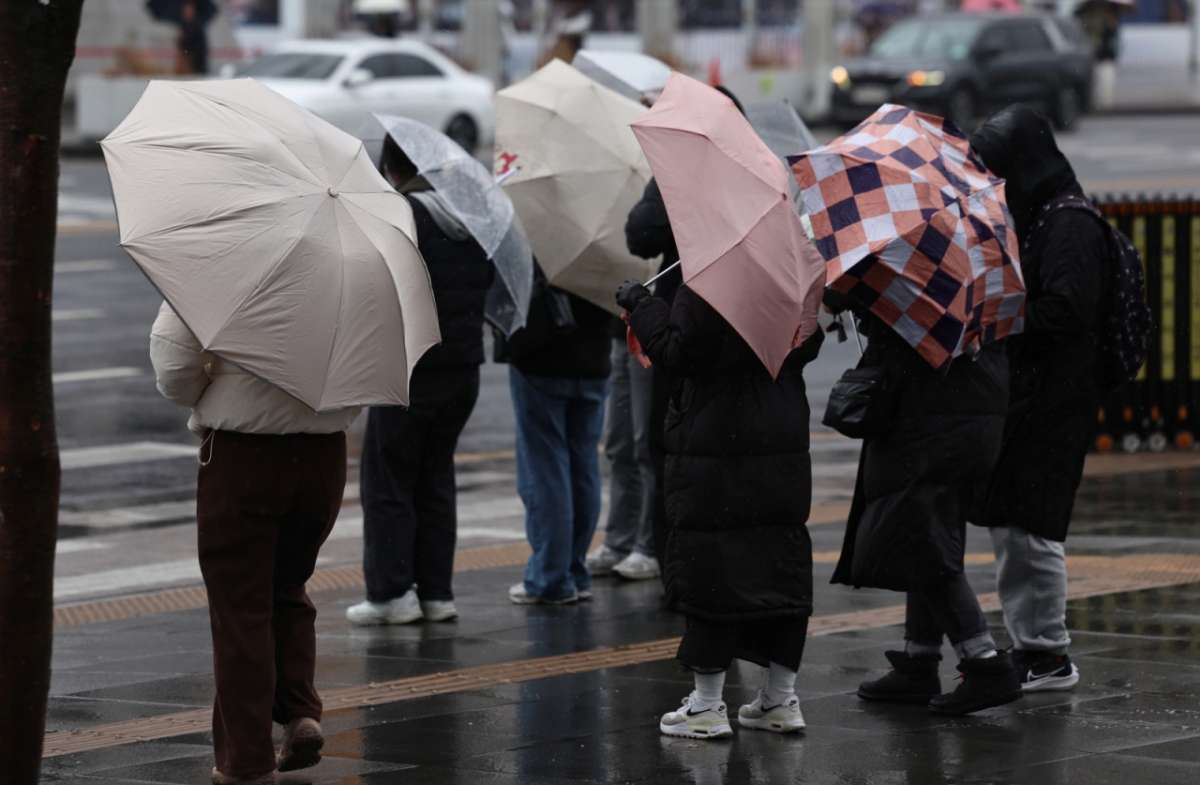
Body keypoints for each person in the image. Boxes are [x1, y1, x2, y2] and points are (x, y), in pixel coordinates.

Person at [151, 306, 359, 784]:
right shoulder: (355, 266)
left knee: (240, 609)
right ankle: (300, 711)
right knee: (287, 585)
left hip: (245, 454)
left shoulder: (223, 255)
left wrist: (205, 393)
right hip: (325, 456)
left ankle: (245, 761)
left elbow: (173, 359)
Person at [618, 278, 824, 739]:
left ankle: (708, 707)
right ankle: (780, 698)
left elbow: (680, 352)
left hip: (719, 432)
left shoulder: (714, 276)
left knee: (712, 562)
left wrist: (642, 304)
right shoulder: (792, 273)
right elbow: (807, 343)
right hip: (781, 426)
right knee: (779, 556)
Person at [827, 294, 1022, 716]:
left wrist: (865, 306)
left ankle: (984, 664)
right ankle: (920, 659)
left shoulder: (920, 278)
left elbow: (910, 343)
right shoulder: (977, 272)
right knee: (925, 532)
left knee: (922, 537)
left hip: (932, 423)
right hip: (972, 416)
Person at [970, 105, 1108, 693]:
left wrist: (1004, 316)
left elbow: (1068, 309)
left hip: (1057, 398)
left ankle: (1048, 654)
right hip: (1034, 394)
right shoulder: (1044, 215)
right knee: (1013, 521)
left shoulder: (1069, 223)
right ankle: (1030, 644)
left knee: (1035, 525)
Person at [346, 139, 494, 626]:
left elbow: (375, 283)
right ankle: (436, 593)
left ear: (391, 167)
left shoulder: (403, 215)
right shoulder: (468, 217)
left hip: (411, 367)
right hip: (462, 369)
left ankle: (390, 594)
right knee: (435, 477)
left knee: (388, 478)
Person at [507, 280, 613, 604]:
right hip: (595, 356)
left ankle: (550, 577)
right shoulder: (604, 237)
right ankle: (575, 570)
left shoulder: (540, 236)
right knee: (583, 466)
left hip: (542, 352)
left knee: (545, 468)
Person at [584, 315, 660, 580]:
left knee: (645, 444)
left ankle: (649, 545)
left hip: (651, 334)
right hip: (620, 332)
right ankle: (620, 540)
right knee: (620, 443)